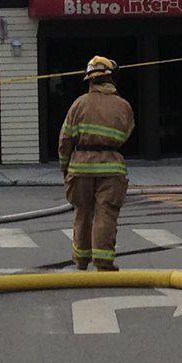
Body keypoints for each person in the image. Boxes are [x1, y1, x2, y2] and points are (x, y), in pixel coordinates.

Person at [58, 56, 135, 271]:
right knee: (106, 213)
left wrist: (65, 167)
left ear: (90, 80)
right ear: (111, 78)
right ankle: (103, 262)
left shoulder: (78, 104)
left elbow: (65, 139)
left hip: (80, 166)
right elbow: (126, 134)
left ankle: (81, 260)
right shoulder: (124, 106)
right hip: (112, 167)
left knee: (82, 213)